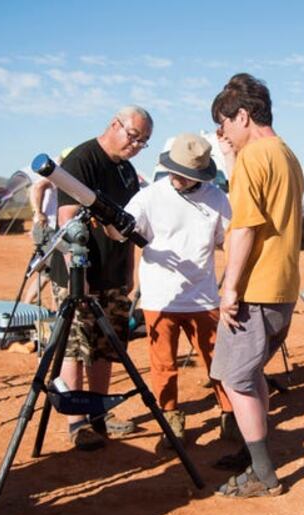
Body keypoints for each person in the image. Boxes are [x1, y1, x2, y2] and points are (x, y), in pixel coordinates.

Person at [210, 73, 304, 497]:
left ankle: (263, 473)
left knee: (236, 379)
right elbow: (251, 203)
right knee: (251, 374)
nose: (222, 133)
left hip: (255, 288)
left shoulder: (255, 158)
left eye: (224, 124)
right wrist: (232, 156)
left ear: (243, 115)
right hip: (280, 285)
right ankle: (255, 453)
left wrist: (230, 289)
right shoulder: (284, 153)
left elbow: (245, 226)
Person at [116, 132, 235, 447]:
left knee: (218, 361)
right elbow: (121, 230)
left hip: (203, 296)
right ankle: (170, 420)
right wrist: (112, 225)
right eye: (174, 170)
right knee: (163, 365)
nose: (176, 178)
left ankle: (230, 415)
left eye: (184, 174)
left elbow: (230, 243)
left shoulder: (217, 198)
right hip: (159, 297)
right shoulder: (149, 196)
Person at [49, 105, 153, 451]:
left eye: (143, 142)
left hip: (114, 275)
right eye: (134, 136)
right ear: (115, 124)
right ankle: (76, 422)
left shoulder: (126, 170)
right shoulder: (82, 160)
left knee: (107, 347)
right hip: (80, 277)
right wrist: (80, 278)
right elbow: (66, 222)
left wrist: (131, 274)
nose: (136, 145)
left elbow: (129, 223)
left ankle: (98, 415)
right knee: (76, 348)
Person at [23, 147, 72, 305]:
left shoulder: (61, 175)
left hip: (49, 229)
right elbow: (37, 187)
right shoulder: (57, 174)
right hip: (49, 229)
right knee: (56, 270)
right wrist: (38, 213)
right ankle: (54, 310)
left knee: (46, 272)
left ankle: (27, 303)